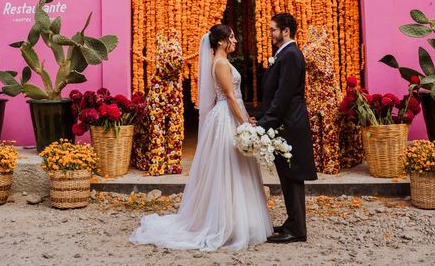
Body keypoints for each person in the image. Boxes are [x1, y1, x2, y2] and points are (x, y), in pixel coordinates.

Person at [130, 25, 272, 251]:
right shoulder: (221, 63)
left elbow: (235, 98)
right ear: (221, 42)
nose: (235, 41)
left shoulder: (221, 61)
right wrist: (243, 122)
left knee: (237, 168)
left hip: (231, 116)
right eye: (231, 37)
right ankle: (224, 222)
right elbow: (229, 97)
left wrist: (246, 119)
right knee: (227, 168)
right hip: (226, 118)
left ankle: (237, 220)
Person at [251, 13, 317, 243]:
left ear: (285, 31)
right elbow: (275, 95)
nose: (270, 34)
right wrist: (260, 116)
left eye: (272, 30)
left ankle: (298, 230)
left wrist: (263, 122)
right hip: (283, 123)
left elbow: (283, 96)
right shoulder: (284, 54)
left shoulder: (290, 55)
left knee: (293, 174)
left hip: (289, 123)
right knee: (287, 174)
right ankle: (292, 222)